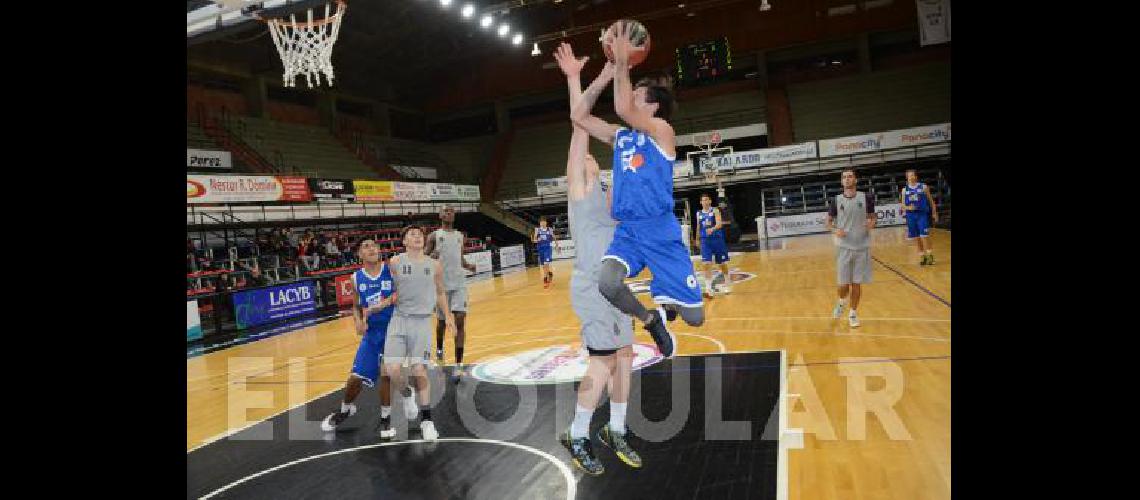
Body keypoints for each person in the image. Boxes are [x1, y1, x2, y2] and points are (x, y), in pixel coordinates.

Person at [570, 20, 704, 359]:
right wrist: (604, 75)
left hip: (659, 229)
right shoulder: (620, 137)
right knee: (607, 283)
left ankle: (669, 299)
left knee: (696, 318)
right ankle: (651, 320)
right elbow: (579, 115)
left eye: (636, 93)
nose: (630, 94)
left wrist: (622, 61)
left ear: (653, 104)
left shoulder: (662, 131)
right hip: (628, 230)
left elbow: (622, 107)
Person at [553, 42, 642, 476]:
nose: (587, 155)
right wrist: (580, 77)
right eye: (582, 154)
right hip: (591, 287)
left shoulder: (608, 192)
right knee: (604, 361)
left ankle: (617, 428)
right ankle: (577, 432)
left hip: (615, 286)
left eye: (590, 156)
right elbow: (580, 122)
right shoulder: (580, 191)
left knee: (625, 355)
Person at [319, 239, 404, 438]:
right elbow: (356, 306)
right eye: (366, 246)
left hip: (394, 330)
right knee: (355, 379)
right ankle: (345, 410)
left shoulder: (391, 269)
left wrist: (387, 302)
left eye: (374, 245)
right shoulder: (355, 278)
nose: (372, 248)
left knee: (385, 374)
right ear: (360, 255)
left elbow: (402, 291)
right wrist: (357, 321)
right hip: (372, 333)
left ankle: (385, 420)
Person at [382, 225, 456, 441]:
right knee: (393, 369)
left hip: (422, 322)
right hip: (399, 320)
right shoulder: (395, 262)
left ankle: (427, 421)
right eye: (411, 234)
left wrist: (448, 316)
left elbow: (440, 291)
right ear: (404, 241)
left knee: (419, 371)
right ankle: (407, 395)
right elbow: (387, 289)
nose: (417, 236)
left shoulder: (434, 265)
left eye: (419, 234)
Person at [424, 206, 477, 380]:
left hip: (459, 284)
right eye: (446, 211)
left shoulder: (460, 236)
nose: (449, 213)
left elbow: (460, 258)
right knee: (441, 324)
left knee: (460, 319)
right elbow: (423, 259)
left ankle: (459, 365)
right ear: (440, 215)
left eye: (452, 211)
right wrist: (431, 255)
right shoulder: (434, 236)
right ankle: (439, 349)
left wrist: (468, 265)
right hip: (441, 287)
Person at [826, 169, 876, 328]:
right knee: (843, 285)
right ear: (842, 182)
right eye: (844, 177)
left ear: (855, 180)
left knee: (856, 283)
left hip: (862, 247)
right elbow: (828, 222)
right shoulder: (836, 200)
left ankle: (853, 314)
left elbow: (873, 216)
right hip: (843, 247)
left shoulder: (866, 197)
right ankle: (841, 302)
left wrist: (872, 223)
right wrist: (835, 230)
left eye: (850, 177)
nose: (847, 179)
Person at [900, 169, 939, 265]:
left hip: (922, 214)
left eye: (913, 175)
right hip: (911, 216)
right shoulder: (905, 190)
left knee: (925, 236)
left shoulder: (923, 187)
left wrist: (934, 212)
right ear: (907, 178)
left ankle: (930, 256)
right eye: (909, 176)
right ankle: (922, 256)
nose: (911, 177)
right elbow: (903, 205)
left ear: (916, 176)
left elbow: (931, 201)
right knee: (917, 237)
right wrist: (909, 207)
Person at [695, 192, 731, 296]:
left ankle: (727, 283)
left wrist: (712, 228)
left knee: (722, 264)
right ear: (700, 202)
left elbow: (719, 223)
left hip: (717, 240)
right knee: (706, 264)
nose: (705, 202)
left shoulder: (715, 210)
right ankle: (708, 289)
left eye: (707, 200)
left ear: (710, 201)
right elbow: (698, 227)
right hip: (705, 241)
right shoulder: (699, 213)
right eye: (703, 200)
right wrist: (697, 239)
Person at [533, 217, 559, 288]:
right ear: (540, 223)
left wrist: (557, 245)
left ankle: (545, 280)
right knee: (543, 266)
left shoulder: (549, 229)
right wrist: (537, 239)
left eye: (544, 222)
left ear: (546, 223)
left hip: (547, 248)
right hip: (540, 248)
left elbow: (554, 237)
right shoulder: (537, 230)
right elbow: (534, 239)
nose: (542, 223)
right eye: (541, 222)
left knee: (546, 263)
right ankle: (549, 273)